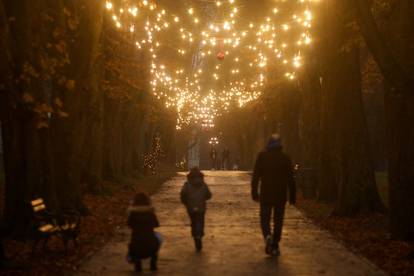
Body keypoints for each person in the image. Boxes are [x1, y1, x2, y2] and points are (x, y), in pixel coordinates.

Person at [251, 134, 296, 256]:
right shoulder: (285, 158)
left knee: (264, 218)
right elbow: (291, 179)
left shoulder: (262, 157)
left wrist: (254, 192)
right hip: (280, 195)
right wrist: (292, 197)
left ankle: (267, 235)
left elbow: (256, 176)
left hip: (266, 193)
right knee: (278, 220)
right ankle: (275, 244)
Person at [127, 192, 162, 272]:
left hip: (136, 245)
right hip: (150, 244)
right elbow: (156, 224)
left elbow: (129, 224)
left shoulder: (132, 213)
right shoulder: (150, 212)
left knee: (133, 243)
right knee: (158, 237)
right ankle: (153, 264)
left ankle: (137, 265)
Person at [180, 168, 212, 251]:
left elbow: (183, 195)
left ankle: (195, 235)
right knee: (200, 221)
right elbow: (209, 195)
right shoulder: (203, 185)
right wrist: (204, 198)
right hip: (201, 207)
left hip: (190, 207)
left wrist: (185, 202)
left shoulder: (187, 185)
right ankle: (199, 235)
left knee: (193, 222)